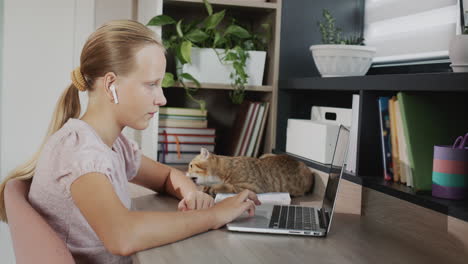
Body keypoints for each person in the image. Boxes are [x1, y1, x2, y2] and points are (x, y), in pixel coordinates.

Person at [0, 20, 260, 264]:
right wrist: (213, 215)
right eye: (151, 85)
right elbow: (122, 236)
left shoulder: (112, 144)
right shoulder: (80, 153)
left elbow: (166, 176)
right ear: (111, 84)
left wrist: (192, 194)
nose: (162, 99)